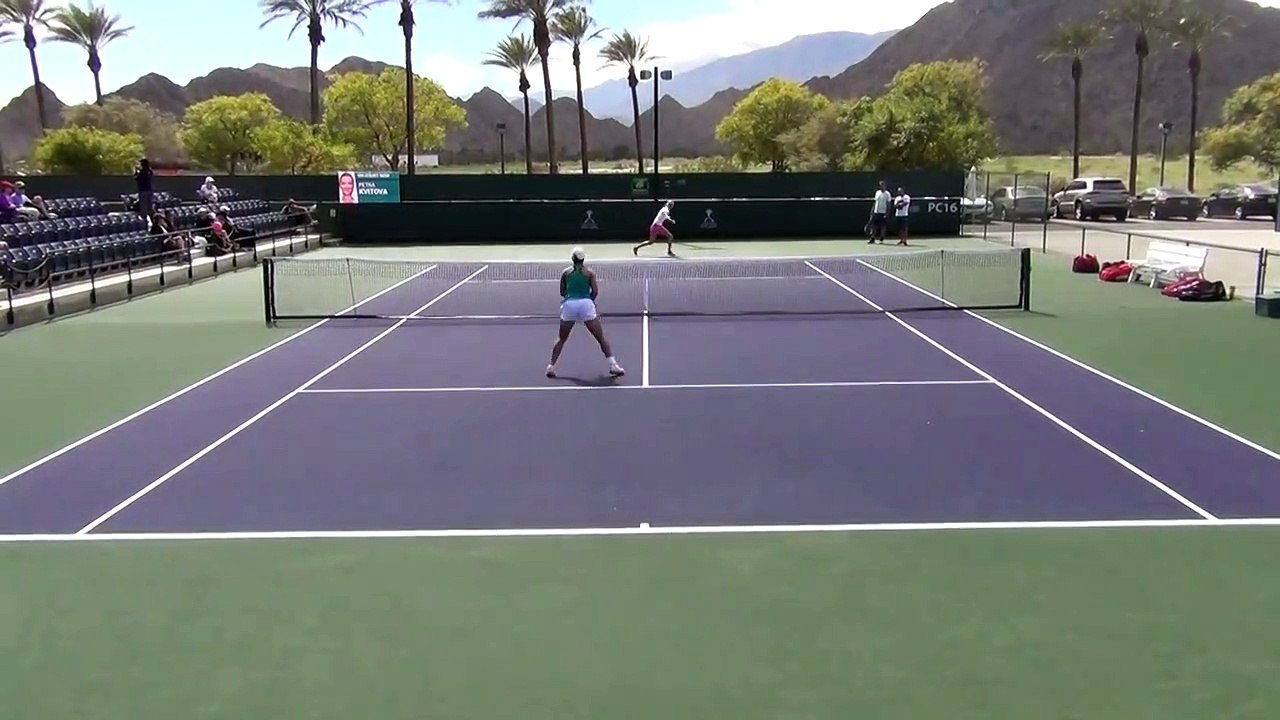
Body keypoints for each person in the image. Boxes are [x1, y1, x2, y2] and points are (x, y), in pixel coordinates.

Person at [546, 247, 626, 379]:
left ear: (573, 258)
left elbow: (562, 292)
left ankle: (551, 367)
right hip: (586, 304)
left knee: (561, 338)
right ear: (583, 259)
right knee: (600, 338)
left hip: (569, 305)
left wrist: (572, 298)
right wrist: (587, 302)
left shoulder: (565, 273)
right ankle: (613, 365)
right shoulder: (589, 273)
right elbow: (595, 292)